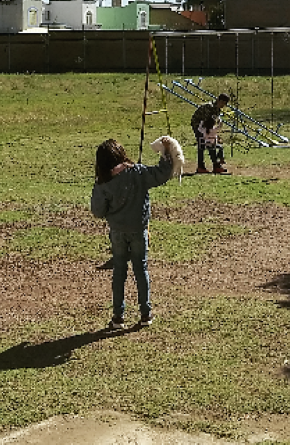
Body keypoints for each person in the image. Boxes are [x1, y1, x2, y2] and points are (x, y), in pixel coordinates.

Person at [90, 138, 173, 330]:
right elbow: (161, 174)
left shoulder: (104, 181)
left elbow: (97, 211)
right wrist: (166, 153)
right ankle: (146, 313)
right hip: (138, 229)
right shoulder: (137, 172)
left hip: (118, 232)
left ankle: (118, 316)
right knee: (140, 268)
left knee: (119, 271)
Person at [190, 93, 229, 174]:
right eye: (223, 103)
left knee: (210, 144)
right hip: (198, 126)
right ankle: (201, 167)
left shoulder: (217, 110)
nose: (223, 105)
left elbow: (212, 123)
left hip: (207, 128)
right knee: (203, 145)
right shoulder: (209, 107)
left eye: (225, 104)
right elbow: (206, 122)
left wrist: (214, 135)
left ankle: (216, 166)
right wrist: (211, 135)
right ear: (218, 100)